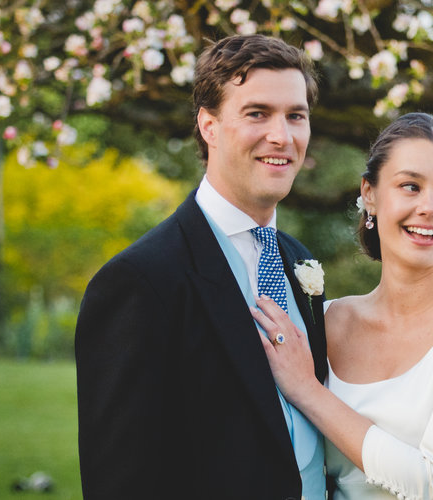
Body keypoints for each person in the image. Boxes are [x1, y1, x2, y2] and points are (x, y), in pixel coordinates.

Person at [75, 34, 329, 499]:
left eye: (296, 116)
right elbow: (120, 482)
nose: (282, 135)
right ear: (208, 126)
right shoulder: (139, 282)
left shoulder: (298, 261)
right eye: (257, 114)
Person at [251, 112, 433, 499]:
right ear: (370, 194)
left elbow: (429, 483)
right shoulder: (327, 320)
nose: (430, 207)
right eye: (410, 186)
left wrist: (307, 390)